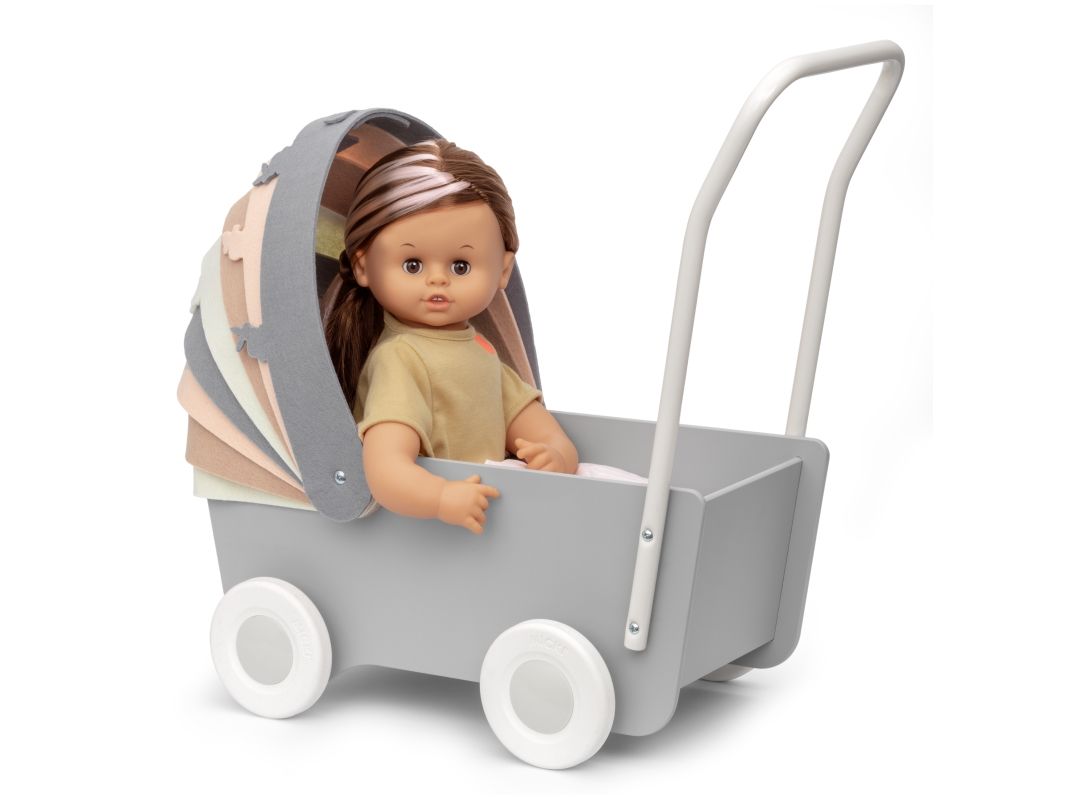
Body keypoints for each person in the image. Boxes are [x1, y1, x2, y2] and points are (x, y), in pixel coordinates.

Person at [324, 140, 579, 534]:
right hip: (431, 529)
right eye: (412, 264)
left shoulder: (482, 352)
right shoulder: (400, 358)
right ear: (363, 266)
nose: (437, 279)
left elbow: (544, 433)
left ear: (503, 270)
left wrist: (555, 457)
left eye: (461, 265)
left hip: (489, 518)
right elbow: (385, 469)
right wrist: (441, 497)